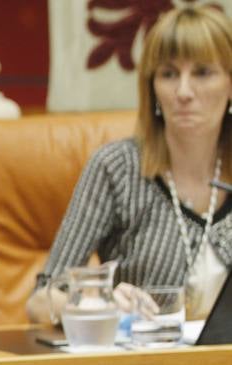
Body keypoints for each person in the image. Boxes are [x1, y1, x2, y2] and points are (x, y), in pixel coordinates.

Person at [28, 3, 232, 326]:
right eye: (168, 74)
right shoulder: (117, 169)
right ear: (152, 88)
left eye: (203, 73)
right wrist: (102, 302)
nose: (183, 91)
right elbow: (41, 302)